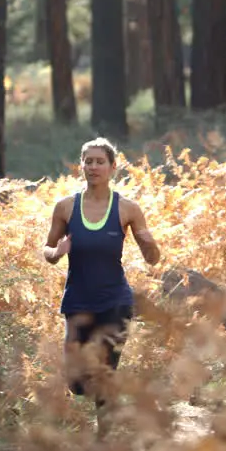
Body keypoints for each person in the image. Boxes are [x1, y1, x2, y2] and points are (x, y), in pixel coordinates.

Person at [43, 138, 160, 427]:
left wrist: (149, 244)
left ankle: (106, 435)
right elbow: (48, 250)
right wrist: (56, 253)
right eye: (88, 161)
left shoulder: (127, 209)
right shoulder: (66, 207)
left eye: (100, 162)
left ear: (112, 167)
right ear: (81, 165)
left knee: (107, 369)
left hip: (115, 302)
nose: (93, 167)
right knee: (76, 380)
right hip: (78, 300)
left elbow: (153, 258)